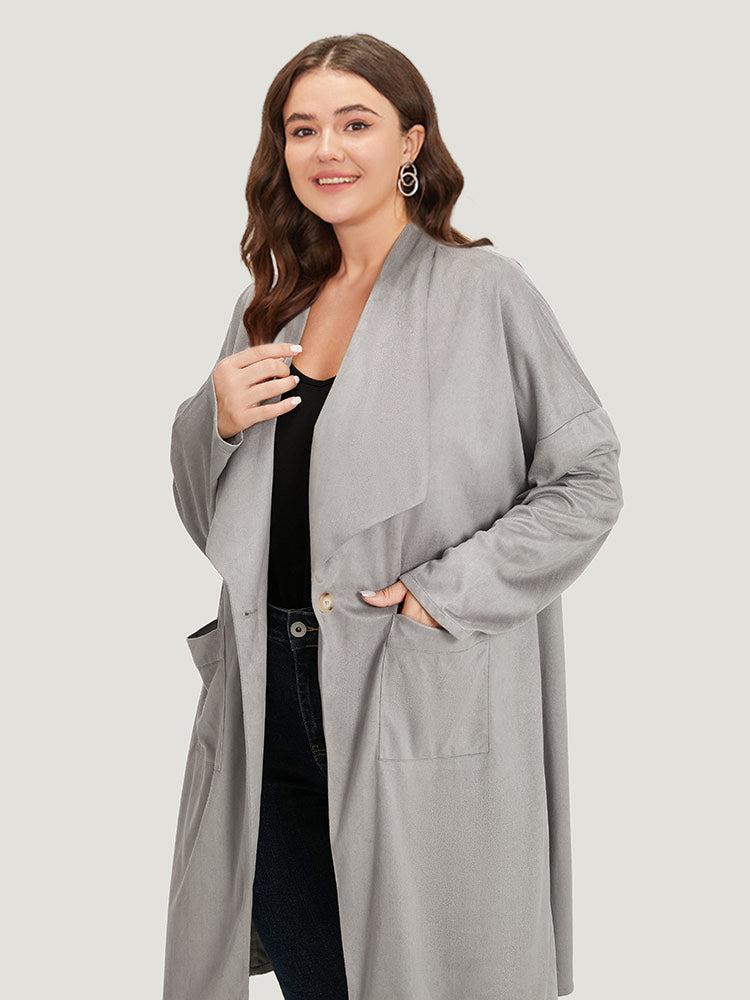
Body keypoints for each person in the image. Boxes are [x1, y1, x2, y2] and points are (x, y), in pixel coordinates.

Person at [163, 32, 624, 1000]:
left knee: (430, 970)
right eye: (301, 129)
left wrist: (443, 594)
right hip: (267, 695)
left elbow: (586, 479)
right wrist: (216, 421)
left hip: (407, 682)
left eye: (355, 123)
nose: (326, 149)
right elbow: (216, 525)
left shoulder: (484, 293)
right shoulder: (269, 308)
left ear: (410, 142)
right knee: (317, 978)